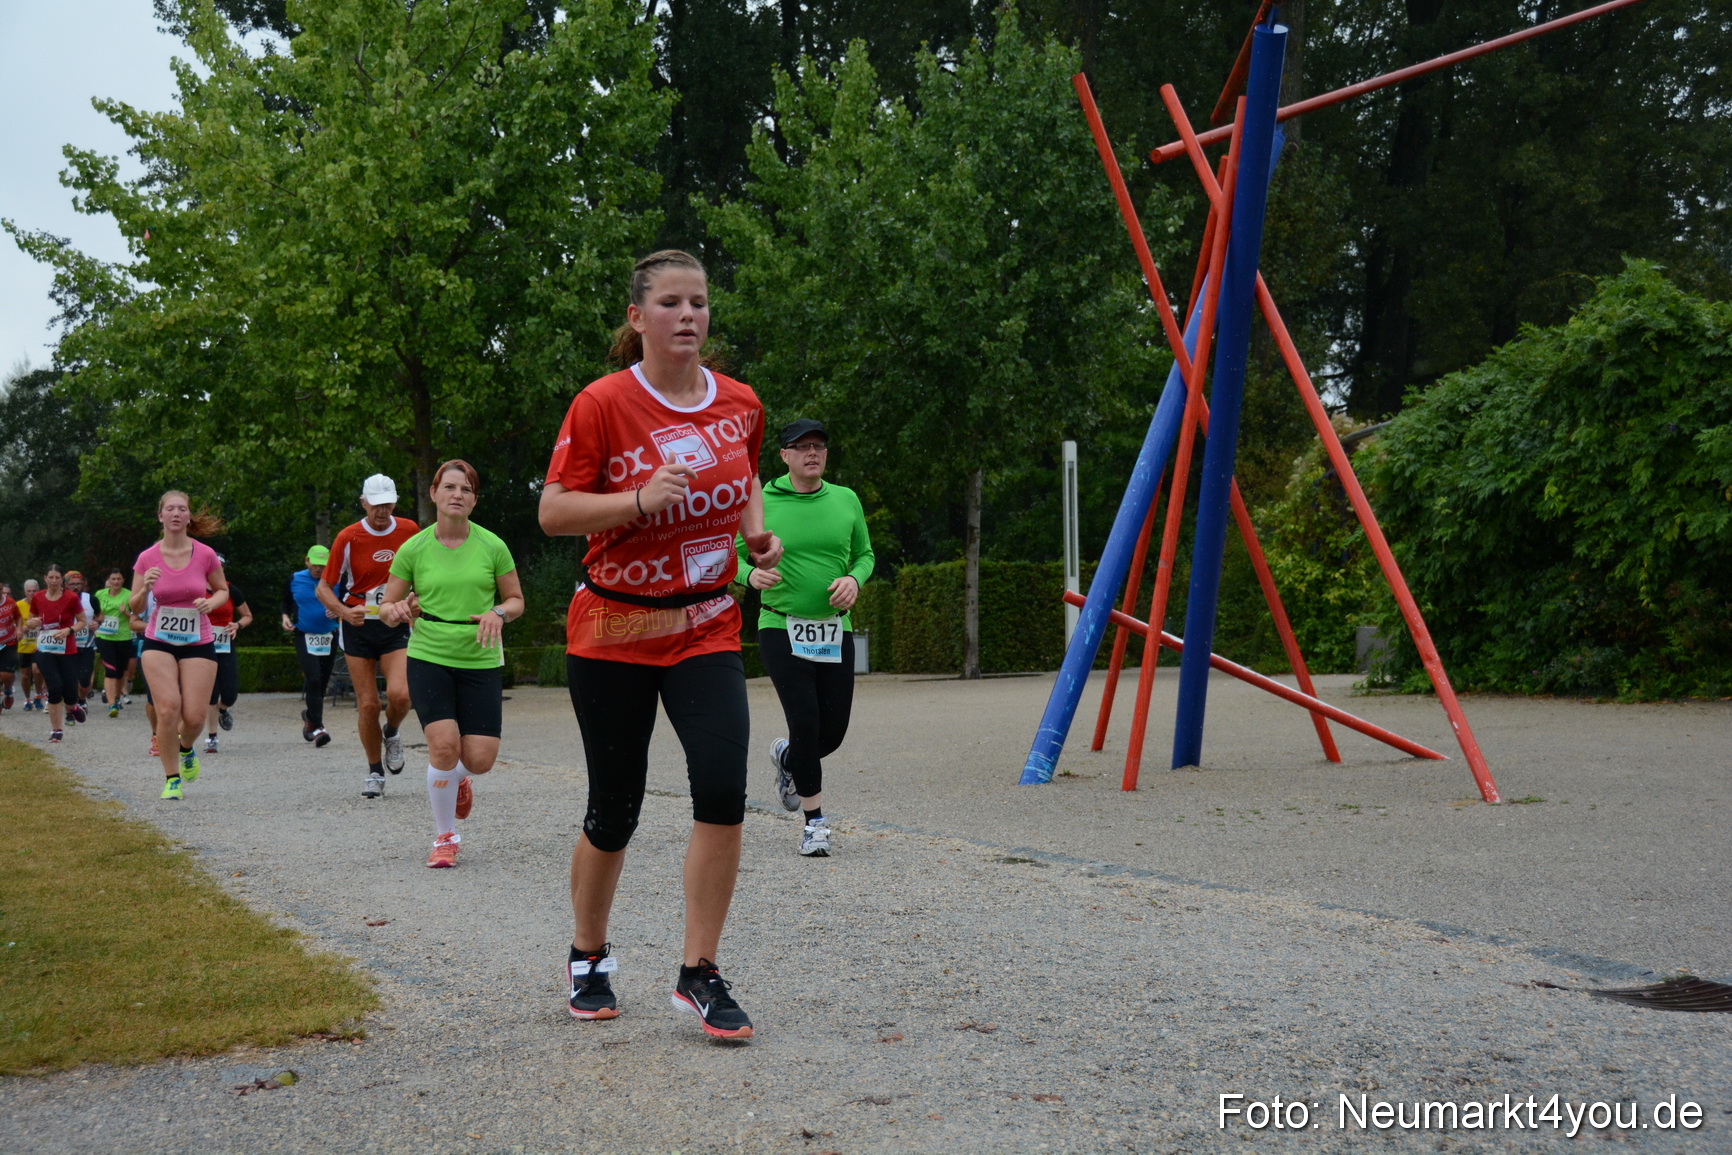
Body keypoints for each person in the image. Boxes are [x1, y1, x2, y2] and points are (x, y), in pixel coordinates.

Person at [539, 249, 781, 1040]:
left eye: (700, 302)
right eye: (672, 303)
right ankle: (587, 954)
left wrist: (757, 539)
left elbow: (742, 471)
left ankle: (699, 971)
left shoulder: (739, 402)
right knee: (616, 807)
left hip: (706, 622)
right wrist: (636, 500)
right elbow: (553, 512)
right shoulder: (603, 403)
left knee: (721, 784)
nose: (689, 315)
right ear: (638, 318)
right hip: (615, 626)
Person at [739, 418, 874, 857]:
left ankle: (788, 758)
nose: (811, 453)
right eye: (801, 447)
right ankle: (815, 824)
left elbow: (865, 554)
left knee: (831, 733)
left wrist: (855, 579)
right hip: (780, 625)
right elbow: (728, 553)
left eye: (818, 446)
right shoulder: (763, 501)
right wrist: (749, 574)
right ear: (784, 455)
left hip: (835, 628)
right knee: (805, 719)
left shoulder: (846, 499)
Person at [379, 460, 522, 868]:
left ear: (474, 500)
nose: (457, 494)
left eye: (467, 489)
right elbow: (387, 605)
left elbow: (516, 601)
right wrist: (397, 612)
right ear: (434, 493)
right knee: (443, 746)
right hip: (429, 655)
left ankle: (458, 779)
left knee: (479, 759)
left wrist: (499, 612)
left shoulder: (492, 546)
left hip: (480, 657)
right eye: (450, 487)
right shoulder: (414, 548)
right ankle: (445, 836)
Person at [319, 474, 419, 798]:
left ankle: (392, 732)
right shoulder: (348, 537)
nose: (382, 511)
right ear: (364, 503)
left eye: (388, 504)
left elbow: (424, 575)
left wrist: (416, 600)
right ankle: (375, 770)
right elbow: (324, 587)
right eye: (376, 505)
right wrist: (344, 612)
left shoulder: (409, 531)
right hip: (358, 625)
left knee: (401, 696)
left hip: (394, 624)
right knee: (368, 705)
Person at [132, 491, 228, 800]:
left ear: (188, 517)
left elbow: (223, 591)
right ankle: (171, 778)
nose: (176, 513)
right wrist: (145, 587)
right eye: (170, 509)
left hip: (197, 639)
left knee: (196, 717)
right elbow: (134, 607)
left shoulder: (205, 554)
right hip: (158, 640)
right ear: (160, 516)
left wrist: (210, 602)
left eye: (182, 509)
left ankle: (186, 749)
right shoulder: (147, 557)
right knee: (168, 708)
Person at [282, 545, 339, 747]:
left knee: (322, 683)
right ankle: (318, 728)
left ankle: (310, 716)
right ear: (307, 561)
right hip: (304, 635)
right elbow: (285, 601)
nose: (319, 570)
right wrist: (284, 617)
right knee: (313, 678)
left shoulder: (336, 580)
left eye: (323, 566)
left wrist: (338, 611)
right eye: (315, 565)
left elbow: (347, 603)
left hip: (329, 636)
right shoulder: (295, 578)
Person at [28, 565, 91, 744]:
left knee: (70, 691)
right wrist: (32, 622)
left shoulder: (70, 598)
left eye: (57, 577)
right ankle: (56, 730)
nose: (54, 581)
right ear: (45, 578)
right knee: (55, 687)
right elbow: (31, 619)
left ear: (62, 579)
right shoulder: (38, 597)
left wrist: (69, 630)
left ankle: (72, 706)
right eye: (51, 577)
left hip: (67, 649)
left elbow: (82, 621)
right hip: (45, 649)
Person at [203, 569, 252, 753]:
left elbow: (247, 615)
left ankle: (223, 710)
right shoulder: (197, 589)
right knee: (211, 693)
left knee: (230, 694)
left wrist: (237, 625)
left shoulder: (232, 591)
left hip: (225, 645)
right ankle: (212, 737)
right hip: (203, 646)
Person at [94, 569, 136, 718]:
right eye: (113, 579)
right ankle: (111, 704)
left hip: (123, 637)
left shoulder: (129, 595)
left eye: (119, 579)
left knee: (119, 672)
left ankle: (117, 698)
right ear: (109, 580)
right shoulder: (100, 594)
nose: (116, 582)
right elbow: (95, 613)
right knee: (110, 669)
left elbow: (136, 617)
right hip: (104, 636)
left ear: (123, 580)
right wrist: (98, 618)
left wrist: (126, 613)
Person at [65, 572, 98, 717]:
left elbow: (100, 614)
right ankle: (71, 705)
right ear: (66, 585)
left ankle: (82, 698)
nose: (76, 587)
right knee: (70, 677)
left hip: (87, 644)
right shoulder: (61, 599)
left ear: (83, 584)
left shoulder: (91, 599)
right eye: (72, 584)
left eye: (78, 584)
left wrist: (98, 622)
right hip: (67, 645)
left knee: (84, 680)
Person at [17, 578, 42, 711]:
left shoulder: (43, 603)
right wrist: (20, 629)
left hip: (39, 645)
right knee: (25, 675)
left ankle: (38, 696)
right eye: (29, 591)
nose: (32, 593)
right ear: (25, 592)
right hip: (24, 645)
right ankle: (27, 699)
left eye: (34, 590)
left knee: (37, 671)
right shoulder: (18, 605)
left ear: (38, 591)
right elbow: (12, 624)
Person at [0, 582, 19, 712]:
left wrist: (20, 629)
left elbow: (19, 617)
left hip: (9, 643)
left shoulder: (10, 603)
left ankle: (8, 692)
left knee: (6, 675)